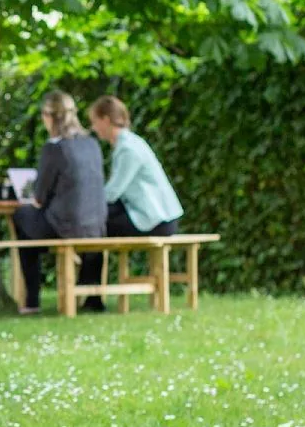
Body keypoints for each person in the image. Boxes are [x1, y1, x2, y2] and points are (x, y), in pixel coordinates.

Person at [80, 95, 185, 310]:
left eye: (94, 121)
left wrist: (84, 201)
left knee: (93, 226)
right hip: (152, 215)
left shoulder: (128, 149)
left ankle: (90, 294)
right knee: (96, 223)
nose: (93, 127)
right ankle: (89, 292)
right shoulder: (130, 142)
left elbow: (113, 191)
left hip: (155, 220)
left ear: (106, 119)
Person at [12, 90, 107, 314]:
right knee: (79, 225)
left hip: (65, 226)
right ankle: (93, 298)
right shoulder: (91, 144)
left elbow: (38, 197)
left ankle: (32, 299)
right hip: (98, 224)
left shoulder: (54, 148)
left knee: (21, 216)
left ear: (48, 116)